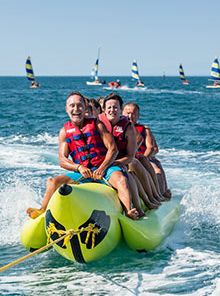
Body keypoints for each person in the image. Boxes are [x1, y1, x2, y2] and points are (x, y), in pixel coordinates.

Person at [26, 91, 140, 220]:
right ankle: (42, 211)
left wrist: (102, 168)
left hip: (105, 169)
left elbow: (113, 149)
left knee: (121, 179)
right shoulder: (64, 132)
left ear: (85, 108)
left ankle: (128, 212)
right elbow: (62, 160)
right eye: (72, 106)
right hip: (82, 172)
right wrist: (79, 167)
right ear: (66, 109)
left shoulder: (97, 124)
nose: (76, 109)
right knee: (52, 182)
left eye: (80, 105)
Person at [99, 93, 162, 213]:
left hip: (120, 162)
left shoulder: (129, 127)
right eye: (109, 108)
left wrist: (113, 163)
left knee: (136, 167)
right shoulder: (98, 123)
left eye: (115, 107)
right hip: (101, 164)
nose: (112, 110)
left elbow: (142, 146)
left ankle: (150, 199)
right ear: (103, 110)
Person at [122, 102, 171, 200]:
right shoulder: (119, 128)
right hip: (128, 159)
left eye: (133, 114)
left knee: (157, 169)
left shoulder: (144, 130)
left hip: (143, 157)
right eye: (127, 113)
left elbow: (151, 148)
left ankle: (160, 193)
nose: (130, 116)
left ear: (138, 116)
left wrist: (143, 157)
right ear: (122, 113)